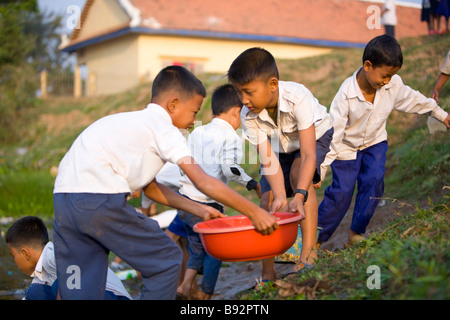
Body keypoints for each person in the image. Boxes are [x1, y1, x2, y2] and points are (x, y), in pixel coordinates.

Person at [52, 65, 278, 300]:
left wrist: (199, 209)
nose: (193, 121)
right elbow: (202, 181)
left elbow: (151, 188)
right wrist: (254, 212)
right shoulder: (164, 129)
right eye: (193, 112)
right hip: (100, 202)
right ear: (173, 104)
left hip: (64, 202)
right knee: (167, 259)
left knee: (78, 287)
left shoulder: (127, 122)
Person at [317, 35, 450, 248]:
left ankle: (355, 235)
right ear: (367, 65)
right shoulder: (346, 95)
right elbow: (335, 134)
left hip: (375, 142)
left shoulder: (392, 85)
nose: (387, 82)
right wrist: (321, 168)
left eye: (391, 77)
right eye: (385, 76)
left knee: (374, 182)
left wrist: (439, 113)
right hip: (346, 148)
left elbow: (413, 99)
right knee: (341, 194)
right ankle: (314, 241)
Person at [228, 48, 334, 282]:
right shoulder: (248, 115)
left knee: (298, 178)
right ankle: (268, 271)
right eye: (238, 92)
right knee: (267, 200)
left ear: (273, 84)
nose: (244, 100)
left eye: (249, 92)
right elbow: (268, 159)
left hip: (313, 138)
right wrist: (279, 196)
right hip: (279, 148)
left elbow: (307, 154)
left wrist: (299, 194)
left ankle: (308, 255)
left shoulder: (298, 98)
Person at [176, 84, 262, 300]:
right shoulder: (231, 136)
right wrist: (251, 183)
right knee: (215, 252)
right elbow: (230, 169)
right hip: (207, 206)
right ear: (236, 112)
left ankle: (185, 286)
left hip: (185, 202)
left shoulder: (197, 131)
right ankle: (205, 295)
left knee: (197, 248)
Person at [5, 216, 131, 300]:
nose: (14, 261)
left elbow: (77, 287)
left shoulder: (53, 255)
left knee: (52, 288)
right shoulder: (41, 276)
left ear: (25, 253)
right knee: (33, 292)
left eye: (13, 255)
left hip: (113, 297)